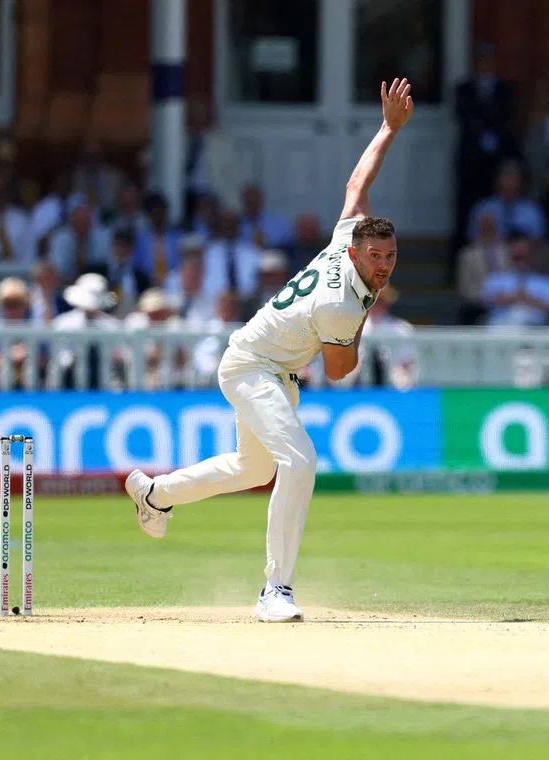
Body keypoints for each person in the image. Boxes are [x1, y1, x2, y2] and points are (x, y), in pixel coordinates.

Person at [123, 78, 414, 624]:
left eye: (391, 256)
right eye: (375, 256)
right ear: (354, 251)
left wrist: (387, 128)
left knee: (252, 468)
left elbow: (357, 182)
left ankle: (156, 494)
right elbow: (342, 369)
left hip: (269, 370)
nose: (383, 265)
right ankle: (274, 590)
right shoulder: (342, 306)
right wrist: (365, 312)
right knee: (299, 460)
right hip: (251, 367)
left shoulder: (343, 239)